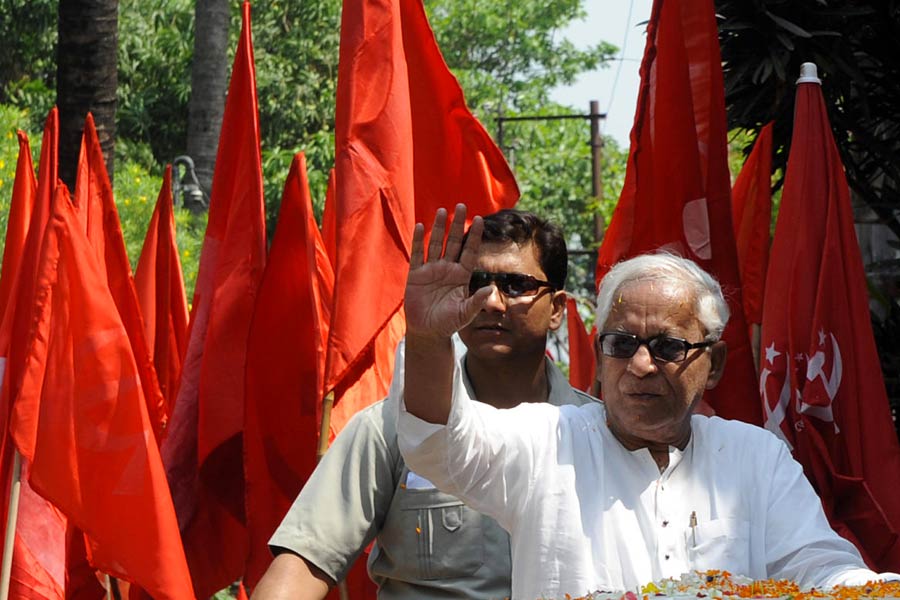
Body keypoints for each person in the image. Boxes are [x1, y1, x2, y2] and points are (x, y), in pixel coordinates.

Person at [397, 204, 900, 600]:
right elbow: (438, 443)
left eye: (667, 347)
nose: (640, 366)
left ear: (715, 363)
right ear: (598, 354)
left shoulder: (755, 457)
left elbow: (817, 567)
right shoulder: (546, 442)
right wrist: (425, 338)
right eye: (621, 345)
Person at [252, 208, 596, 599]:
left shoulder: (599, 435)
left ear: (556, 309)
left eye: (516, 285)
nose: (492, 302)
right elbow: (301, 567)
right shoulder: (391, 427)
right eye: (476, 283)